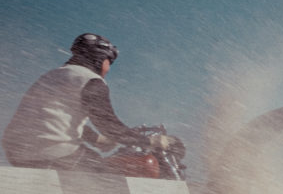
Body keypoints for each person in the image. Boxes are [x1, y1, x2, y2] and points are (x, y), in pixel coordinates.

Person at [3, 33, 175, 172]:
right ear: (100, 59)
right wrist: (149, 142)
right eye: (110, 62)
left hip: (17, 151)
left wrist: (96, 139)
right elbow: (109, 125)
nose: (108, 69)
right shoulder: (90, 80)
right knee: (110, 175)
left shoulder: (54, 75)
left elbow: (50, 116)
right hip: (52, 151)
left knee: (94, 165)